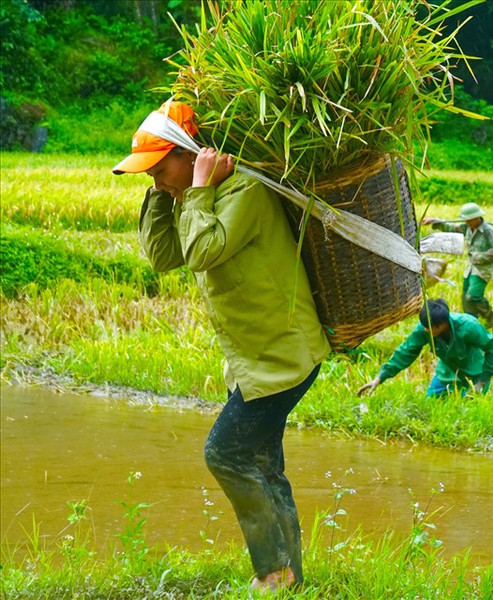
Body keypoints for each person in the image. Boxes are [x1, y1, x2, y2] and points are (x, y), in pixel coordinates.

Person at [113, 101, 331, 593]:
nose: (158, 181)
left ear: (192, 153)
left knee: (225, 453)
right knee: (263, 465)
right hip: (258, 360)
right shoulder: (196, 194)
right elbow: (164, 256)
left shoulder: (244, 190)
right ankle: (291, 574)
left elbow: (201, 251)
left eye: (159, 169)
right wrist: (165, 192)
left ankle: (273, 571)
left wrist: (197, 190)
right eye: (148, 176)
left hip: (282, 357)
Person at [356, 298, 493, 398]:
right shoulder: (425, 329)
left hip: (474, 373)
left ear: (442, 325)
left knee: (468, 410)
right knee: (430, 403)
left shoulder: (468, 326)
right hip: (447, 372)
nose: (425, 330)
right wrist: (380, 377)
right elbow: (406, 351)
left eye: (429, 328)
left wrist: (482, 381)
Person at [423, 203, 493, 327]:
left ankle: (489, 314)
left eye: (469, 220)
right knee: (465, 299)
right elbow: (451, 228)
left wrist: (480, 256)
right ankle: (471, 322)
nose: (467, 222)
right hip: (470, 268)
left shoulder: (488, 231)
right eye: (466, 220)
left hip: (482, 270)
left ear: (477, 218)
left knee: (473, 296)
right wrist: (435, 221)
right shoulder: (467, 228)